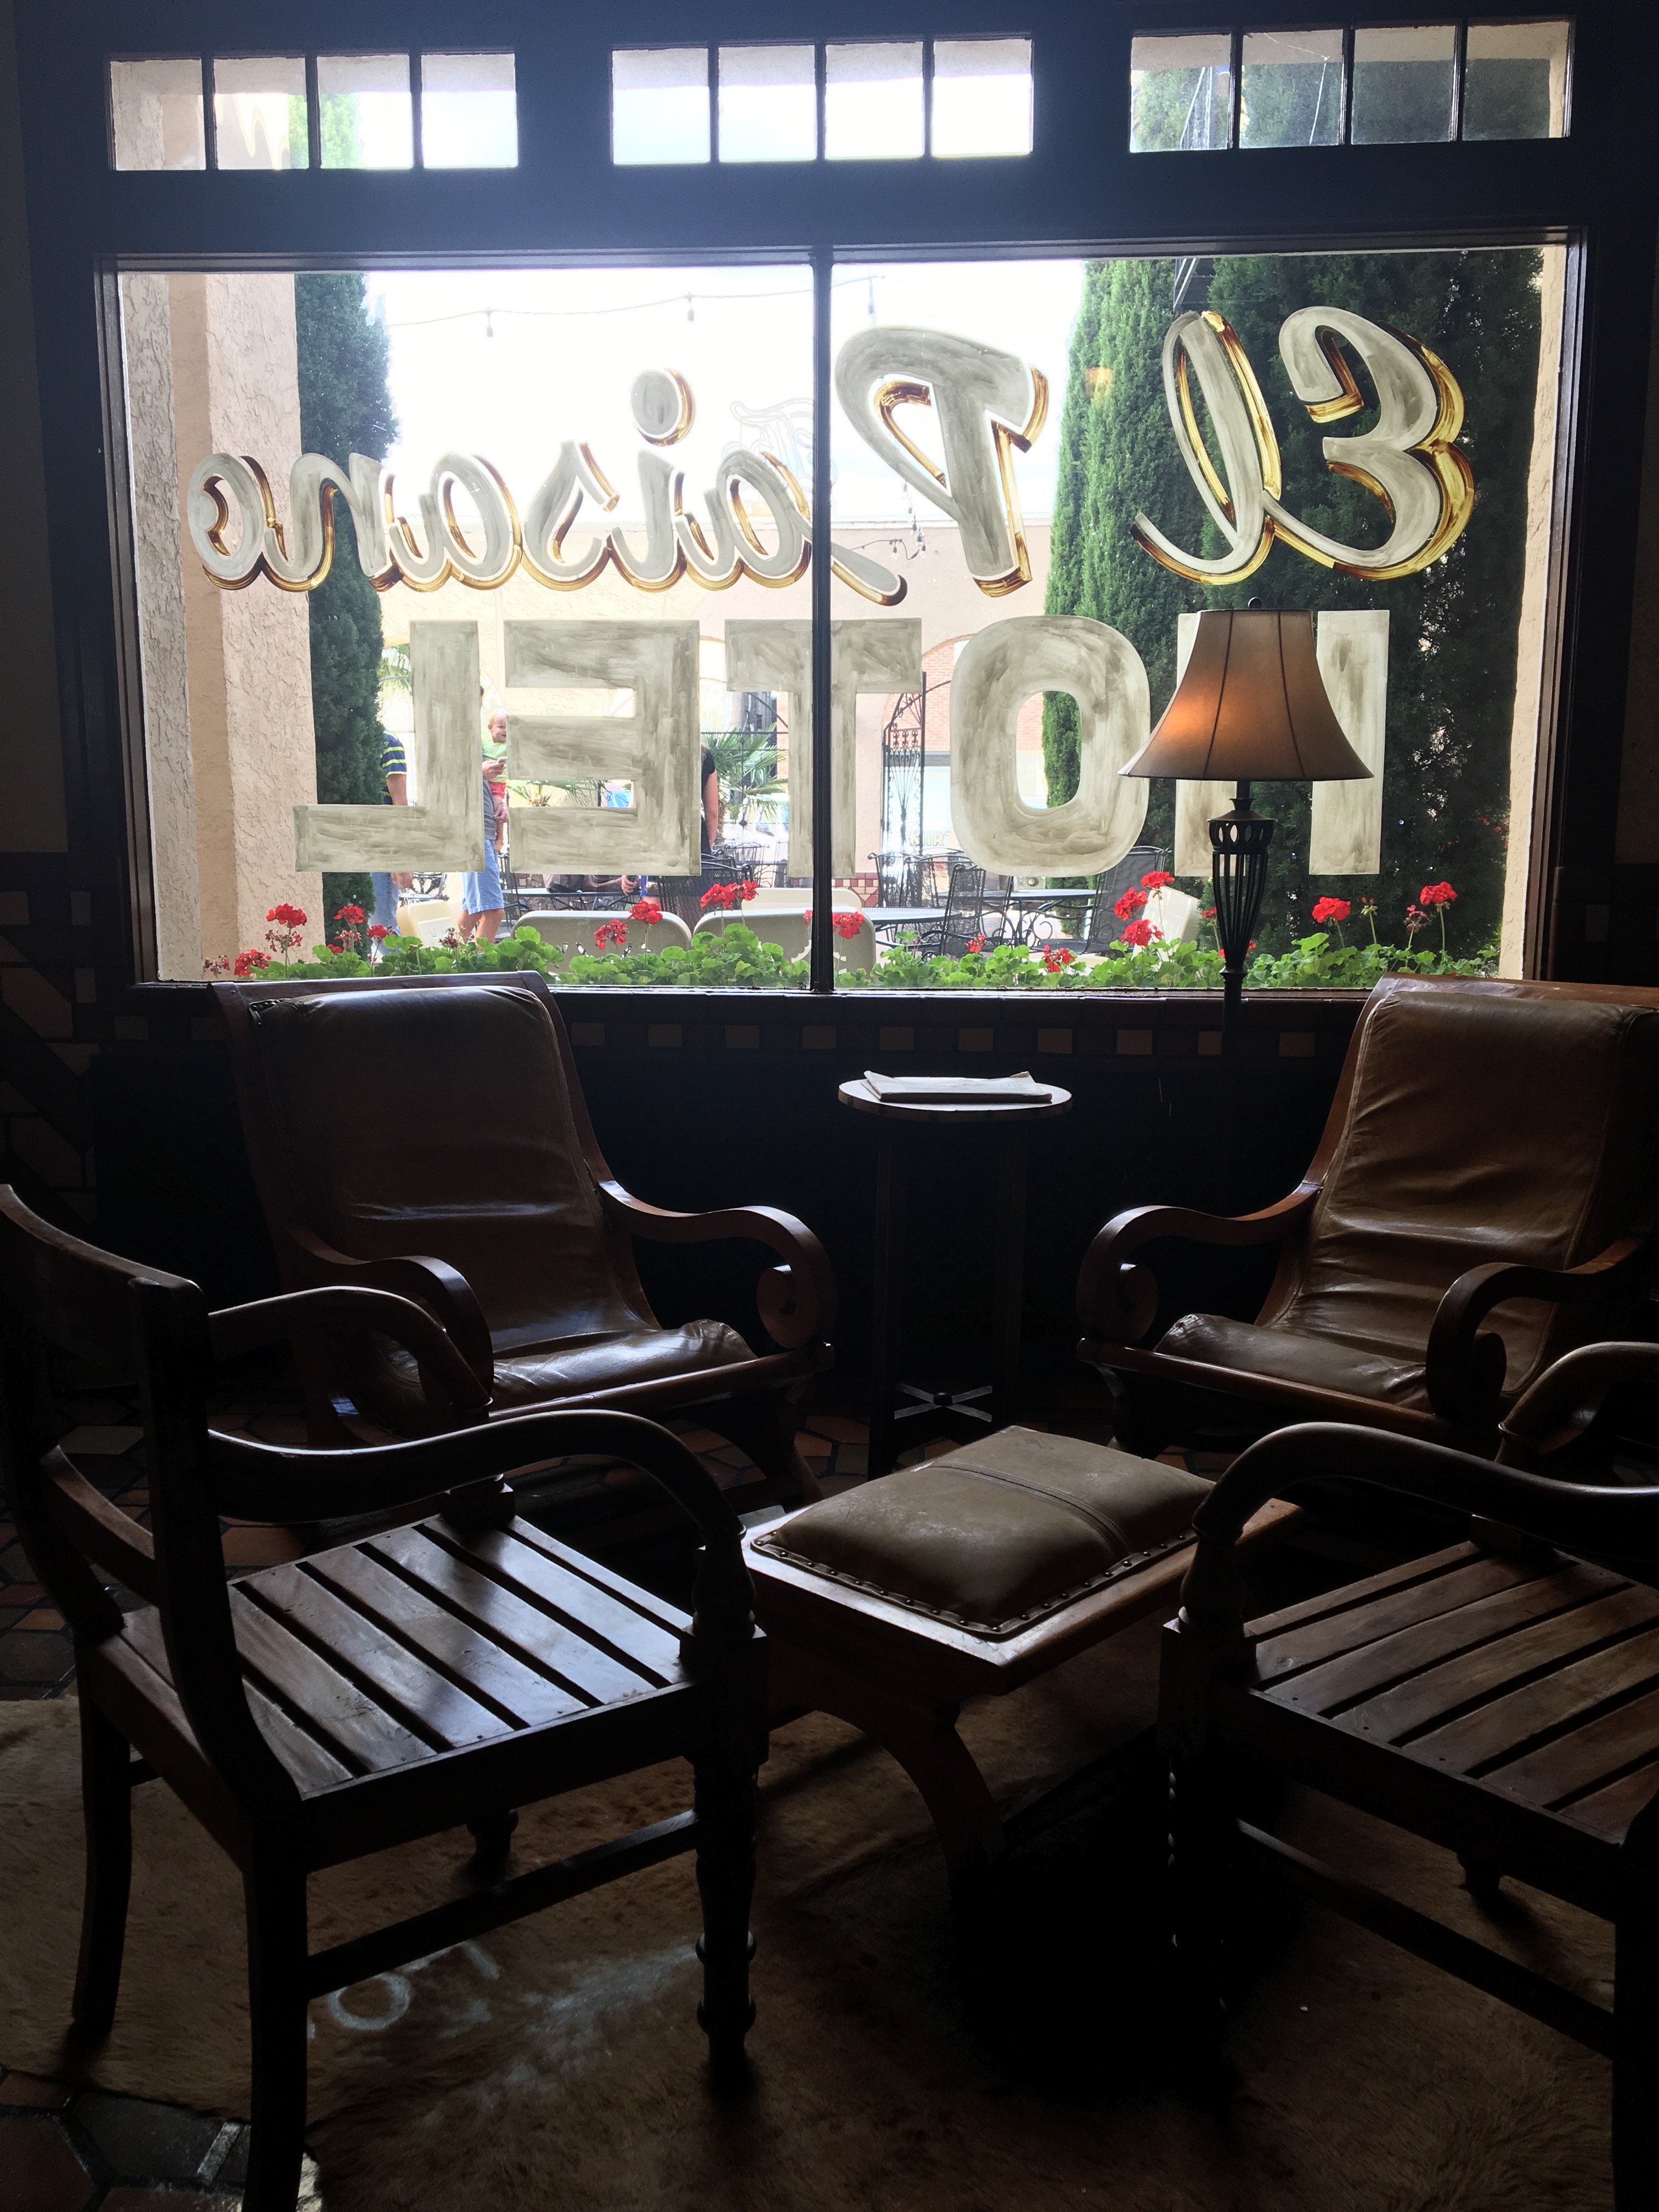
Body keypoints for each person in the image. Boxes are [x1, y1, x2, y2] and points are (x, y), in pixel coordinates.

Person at [456, 710, 509, 943]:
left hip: (486, 831)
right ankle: (479, 961)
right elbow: (447, 779)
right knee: (493, 911)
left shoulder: (479, 744)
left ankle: (450, 955)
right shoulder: (461, 741)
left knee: (473, 910)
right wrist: (479, 772)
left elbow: (495, 786)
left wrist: (503, 804)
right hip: (474, 834)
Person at [369, 727, 413, 942]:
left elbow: (400, 802)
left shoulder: (387, 741)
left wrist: (399, 858)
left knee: (381, 929)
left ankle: (406, 965)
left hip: (382, 844)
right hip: (354, 844)